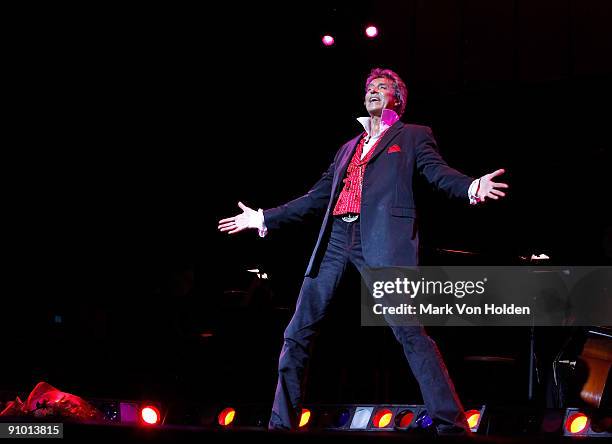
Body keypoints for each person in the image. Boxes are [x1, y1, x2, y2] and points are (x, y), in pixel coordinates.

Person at [218, 68, 508, 434]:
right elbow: (316, 197)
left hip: (384, 239)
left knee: (410, 333)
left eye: (383, 87)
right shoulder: (346, 149)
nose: (374, 91)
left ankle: (451, 424)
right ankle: (281, 425)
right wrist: (263, 217)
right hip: (335, 239)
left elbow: (438, 173)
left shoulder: (414, 135)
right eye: (370, 87)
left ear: (397, 100)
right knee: (297, 333)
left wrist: (470, 187)